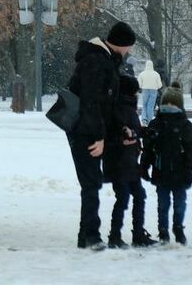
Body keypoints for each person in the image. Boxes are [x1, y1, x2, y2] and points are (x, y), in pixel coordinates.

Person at [65, 20, 136, 251]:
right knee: (91, 182)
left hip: (87, 129)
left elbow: (107, 105)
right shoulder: (96, 62)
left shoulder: (103, 61)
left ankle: (86, 234)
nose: (128, 52)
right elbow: (92, 103)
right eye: (128, 47)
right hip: (84, 131)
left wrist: (119, 128)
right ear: (121, 44)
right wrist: (98, 137)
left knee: (92, 182)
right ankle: (90, 235)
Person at [140, 82, 192, 245]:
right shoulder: (156, 123)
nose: (169, 107)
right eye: (166, 104)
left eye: (173, 104)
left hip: (180, 172)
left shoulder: (185, 126)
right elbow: (148, 149)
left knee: (179, 202)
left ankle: (178, 227)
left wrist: (190, 170)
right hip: (161, 171)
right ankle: (163, 230)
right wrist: (144, 166)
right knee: (163, 203)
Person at [104, 73, 154, 248]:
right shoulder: (118, 109)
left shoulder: (126, 108)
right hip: (120, 162)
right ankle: (116, 236)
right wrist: (124, 139)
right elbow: (111, 135)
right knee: (125, 197)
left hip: (128, 162)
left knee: (136, 196)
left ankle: (135, 233)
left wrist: (144, 132)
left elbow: (134, 130)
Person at [137, 59, 163, 124]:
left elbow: (139, 84)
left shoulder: (142, 74)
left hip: (145, 90)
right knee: (150, 106)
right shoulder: (156, 74)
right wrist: (156, 87)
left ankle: (144, 119)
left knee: (144, 105)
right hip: (154, 90)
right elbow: (160, 85)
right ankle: (149, 120)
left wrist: (143, 86)